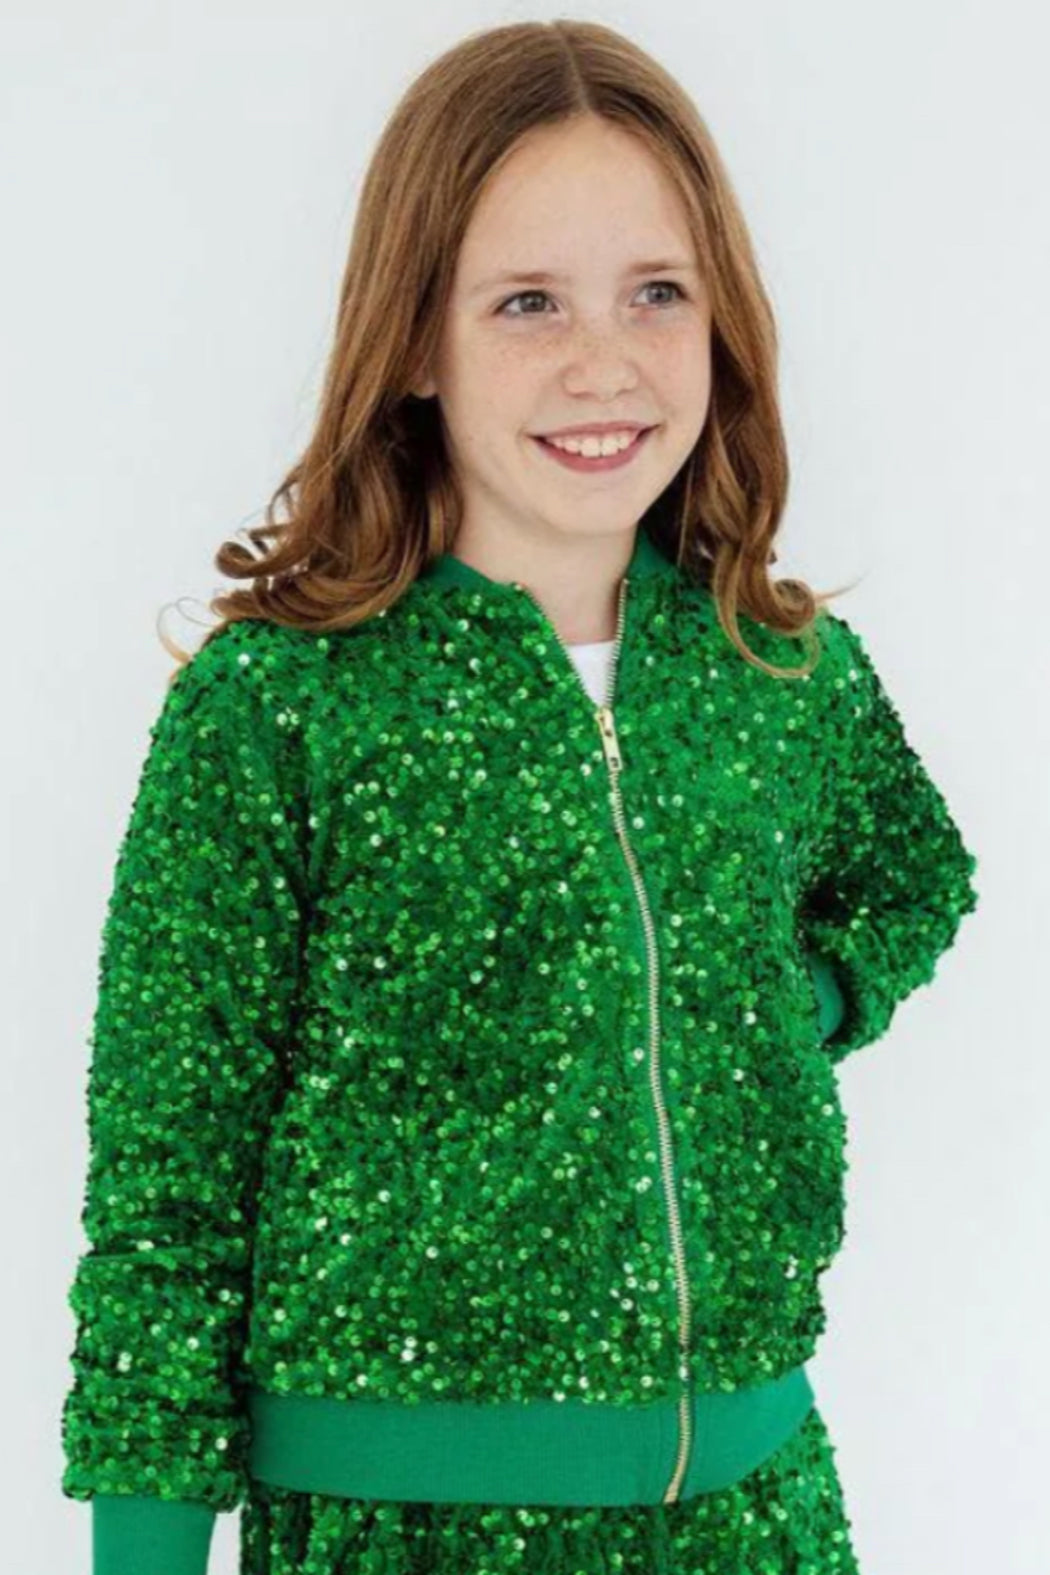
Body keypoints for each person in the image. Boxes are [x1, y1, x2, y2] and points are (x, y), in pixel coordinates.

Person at [59, 19, 980, 1575]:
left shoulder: (778, 672)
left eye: (655, 293)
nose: (600, 361)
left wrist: (792, 1005)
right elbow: (168, 1189)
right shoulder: (280, 705)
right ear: (416, 340)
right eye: (527, 301)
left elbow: (913, 873)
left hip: (753, 1512)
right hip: (393, 1527)